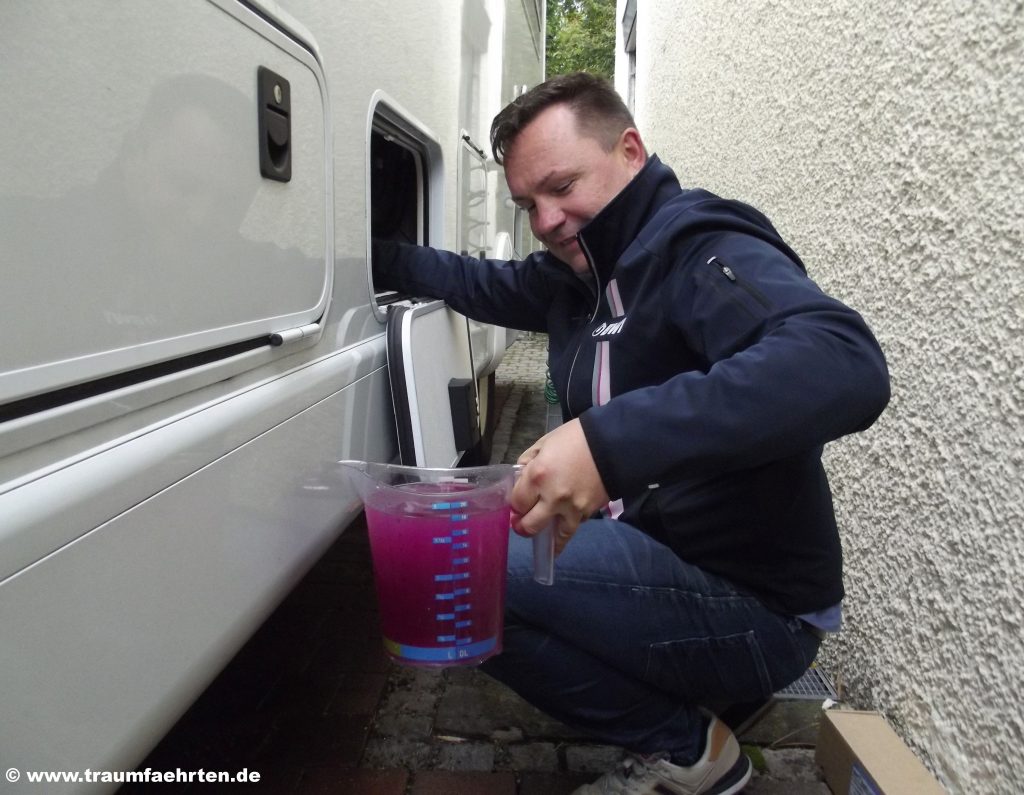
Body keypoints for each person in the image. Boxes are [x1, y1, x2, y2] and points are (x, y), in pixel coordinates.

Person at [372, 72, 890, 795]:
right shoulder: (574, 277)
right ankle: (662, 690)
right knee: (442, 563)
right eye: (528, 205)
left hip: (756, 611)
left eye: (562, 185)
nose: (547, 220)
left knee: (459, 563)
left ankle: (689, 748)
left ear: (631, 150)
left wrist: (606, 445)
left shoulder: (696, 244)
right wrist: (346, 249)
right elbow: (471, 280)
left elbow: (844, 361)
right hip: (653, 561)